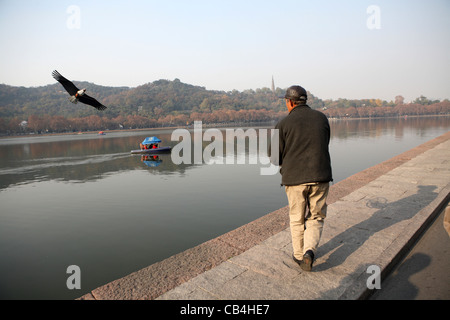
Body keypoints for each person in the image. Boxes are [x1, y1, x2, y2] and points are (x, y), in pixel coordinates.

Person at [275, 85, 333, 271]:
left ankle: (299, 256)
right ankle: (309, 251)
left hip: (294, 179)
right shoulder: (321, 118)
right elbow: (325, 142)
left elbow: (275, 157)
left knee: (297, 218)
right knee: (316, 216)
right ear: (305, 100)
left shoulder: (283, 124)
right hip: (320, 175)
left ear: (289, 102)